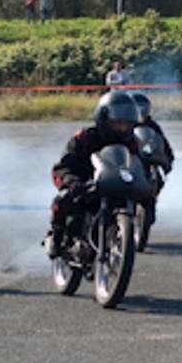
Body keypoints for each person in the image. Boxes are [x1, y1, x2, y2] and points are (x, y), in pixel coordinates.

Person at [44, 90, 141, 258]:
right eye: (117, 122)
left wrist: (145, 182)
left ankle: (116, 238)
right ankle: (55, 234)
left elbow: (139, 166)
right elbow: (63, 166)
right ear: (104, 119)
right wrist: (72, 181)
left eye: (126, 123)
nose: (122, 127)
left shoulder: (132, 143)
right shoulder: (84, 137)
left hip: (114, 185)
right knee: (66, 197)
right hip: (83, 183)